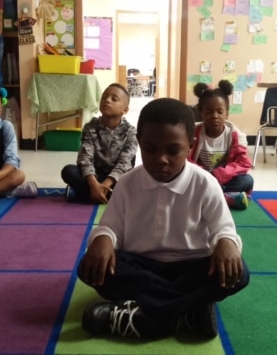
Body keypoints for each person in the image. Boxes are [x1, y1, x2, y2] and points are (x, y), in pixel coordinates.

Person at [77, 98, 249, 340]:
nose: (161, 159)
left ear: (191, 145)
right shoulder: (127, 183)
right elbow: (110, 227)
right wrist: (102, 238)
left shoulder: (205, 183)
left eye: (173, 150)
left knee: (239, 273)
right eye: (150, 148)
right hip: (141, 265)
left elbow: (224, 229)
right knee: (90, 267)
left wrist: (227, 243)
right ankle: (188, 311)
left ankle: (149, 318)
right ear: (139, 143)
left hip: (191, 265)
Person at [61, 83, 137, 204]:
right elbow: (85, 158)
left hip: (117, 178)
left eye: (114, 99)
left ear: (125, 109)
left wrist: (107, 183)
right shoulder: (90, 127)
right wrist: (94, 184)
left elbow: (125, 163)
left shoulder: (130, 132)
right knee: (68, 171)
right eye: (104, 97)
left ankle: (91, 194)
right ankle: (102, 194)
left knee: (137, 180)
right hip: (94, 177)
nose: (107, 100)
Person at [189, 80, 253, 210]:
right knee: (183, 179)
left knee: (247, 180)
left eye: (220, 111)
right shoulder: (193, 132)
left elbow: (243, 162)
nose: (215, 116)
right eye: (208, 112)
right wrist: (205, 174)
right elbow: (185, 159)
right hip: (201, 177)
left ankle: (212, 196)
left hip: (223, 177)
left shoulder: (235, 134)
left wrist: (219, 175)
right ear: (201, 113)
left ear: (227, 113)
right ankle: (225, 197)